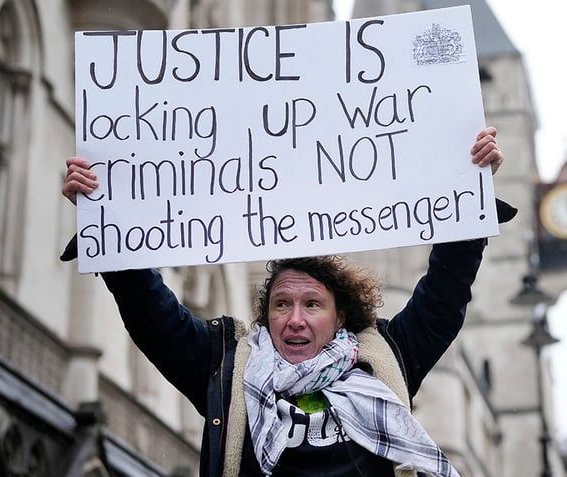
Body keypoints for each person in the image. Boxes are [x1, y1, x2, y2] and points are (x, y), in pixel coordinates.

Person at [61, 127, 515, 477]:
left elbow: (444, 293)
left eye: (312, 305)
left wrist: (466, 187)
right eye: (281, 304)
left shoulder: (384, 359)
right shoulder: (224, 367)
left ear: (341, 318)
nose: (294, 319)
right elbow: (151, 312)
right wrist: (105, 215)